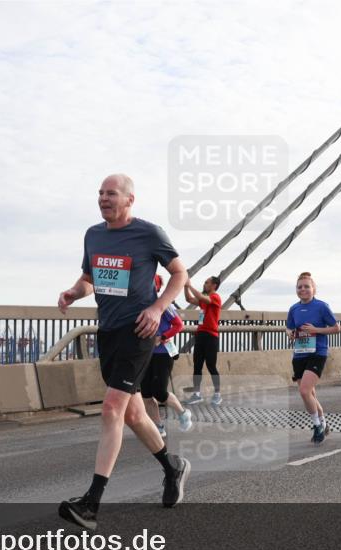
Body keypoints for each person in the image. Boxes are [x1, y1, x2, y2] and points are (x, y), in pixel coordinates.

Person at [57, 174, 191, 530]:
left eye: (111, 193)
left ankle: (91, 503)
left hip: (139, 330)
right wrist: (74, 292)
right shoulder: (94, 235)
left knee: (111, 409)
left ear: (129, 199)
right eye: (100, 193)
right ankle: (172, 467)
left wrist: (158, 308)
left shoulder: (149, 233)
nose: (103, 198)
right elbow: (90, 277)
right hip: (109, 333)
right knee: (133, 415)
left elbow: (180, 273)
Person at [286, 272, 340, 445]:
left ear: (314, 289)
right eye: (300, 287)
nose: (303, 289)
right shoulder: (294, 308)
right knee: (309, 393)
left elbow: (336, 328)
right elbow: (288, 328)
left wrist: (317, 330)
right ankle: (323, 422)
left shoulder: (322, 306)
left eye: (306, 286)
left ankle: (317, 425)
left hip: (317, 353)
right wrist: (291, 333)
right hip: (300, 353)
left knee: (304, 391)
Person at [141, 275, 194, 436]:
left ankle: (183, 413)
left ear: (156, 288)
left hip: (163, 353)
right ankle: (158, 426)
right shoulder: (138, 305)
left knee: (159, 392)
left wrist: (162, 337)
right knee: (146, 394)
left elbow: (179, 324)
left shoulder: (163, 305)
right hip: (145, 353)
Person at [183, 276, 223, 406]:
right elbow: (189, 299)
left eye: (207, 282)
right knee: (197, 366)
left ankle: (217, 394)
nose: (204, 284)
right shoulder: (203, 301)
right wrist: (185, 286)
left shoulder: (215, 297)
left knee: (211, 365)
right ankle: (197, 394)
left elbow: (201, 297)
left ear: (214, 285)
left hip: (211, 336)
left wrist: (189, 284)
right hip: (200, 335)